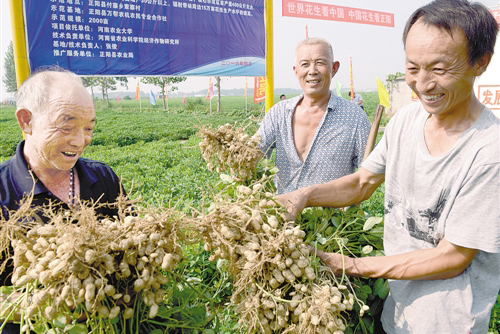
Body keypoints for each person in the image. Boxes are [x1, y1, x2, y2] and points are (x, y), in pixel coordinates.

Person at [278, 1, 500, 333]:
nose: (423, 84)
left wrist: (350, 265)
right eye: (413, 68)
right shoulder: (405, 122)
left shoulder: (489, 151)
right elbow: (361, 183)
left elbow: (452, 258)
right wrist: (303, 196)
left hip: (446, 322)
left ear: (479, 63)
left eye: (439, 69)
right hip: (397, 311)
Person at [0, 68, 124, 333]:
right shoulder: (2, 191)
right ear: (26, 121)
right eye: (66, 126)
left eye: (89, 127)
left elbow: (132, 247)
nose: (80, 141)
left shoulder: (104, 179)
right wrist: (45, 303)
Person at [257, 37, 371, 194]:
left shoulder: (355, 118)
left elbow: (368, 175)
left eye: (320, 63)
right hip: (281, 215)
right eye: (305, 64)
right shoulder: (278, 113)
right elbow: (253, 155)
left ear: (334, 68)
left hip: (333, 216)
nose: (312, 71)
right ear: (296, 70)